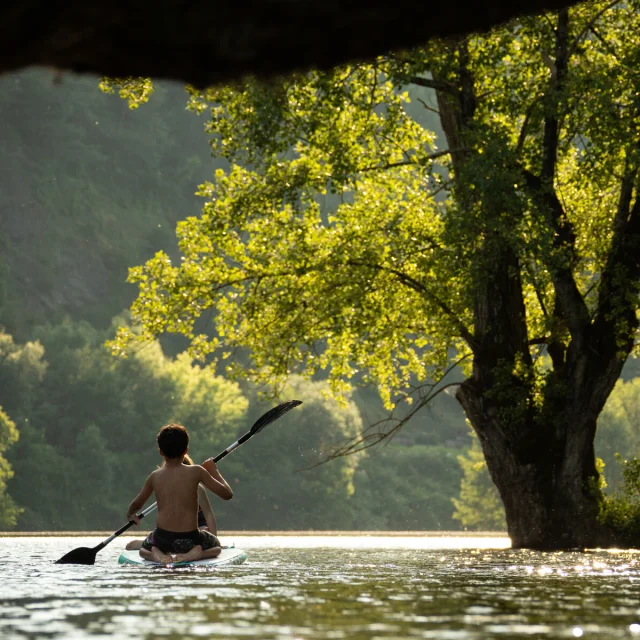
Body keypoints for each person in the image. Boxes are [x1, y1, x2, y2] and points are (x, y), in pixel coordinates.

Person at [126, 423, 233, 564]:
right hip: (191, 539)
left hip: (161, 539)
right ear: (186, 450)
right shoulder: (197, 471)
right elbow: (227, 494)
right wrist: (214, 471)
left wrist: (131, 515)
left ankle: (155, 554)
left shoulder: (155, 476)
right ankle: (196, 554)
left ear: (161, 452)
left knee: (142, 550)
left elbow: (136, 504)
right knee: (217, 547)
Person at [125, 454, 217, 551]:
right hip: (173, 531)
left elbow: (208, 514)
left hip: (197, 528)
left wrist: (214, 538)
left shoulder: (197, 488)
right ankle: (152, 544)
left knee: (204, 531)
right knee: (165, 534)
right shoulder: (164, 485)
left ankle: (152, 544)